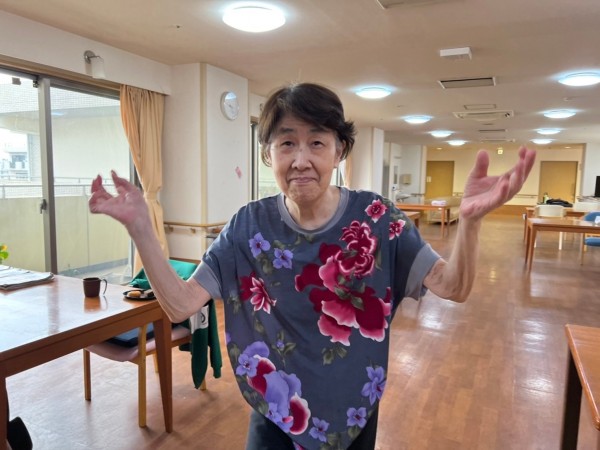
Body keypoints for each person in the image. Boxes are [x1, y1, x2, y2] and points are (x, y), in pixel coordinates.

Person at [89, 82, 535, 450]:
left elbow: (453, 287)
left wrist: (470, 223)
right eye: (287, 143)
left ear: (339, 151)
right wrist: (142, 230)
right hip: (275, 409)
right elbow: (180, 305)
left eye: (317, 142)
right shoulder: (248, 225)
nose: (301, 160)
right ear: (269, 155)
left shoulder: (377, 218)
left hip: (352, 408)